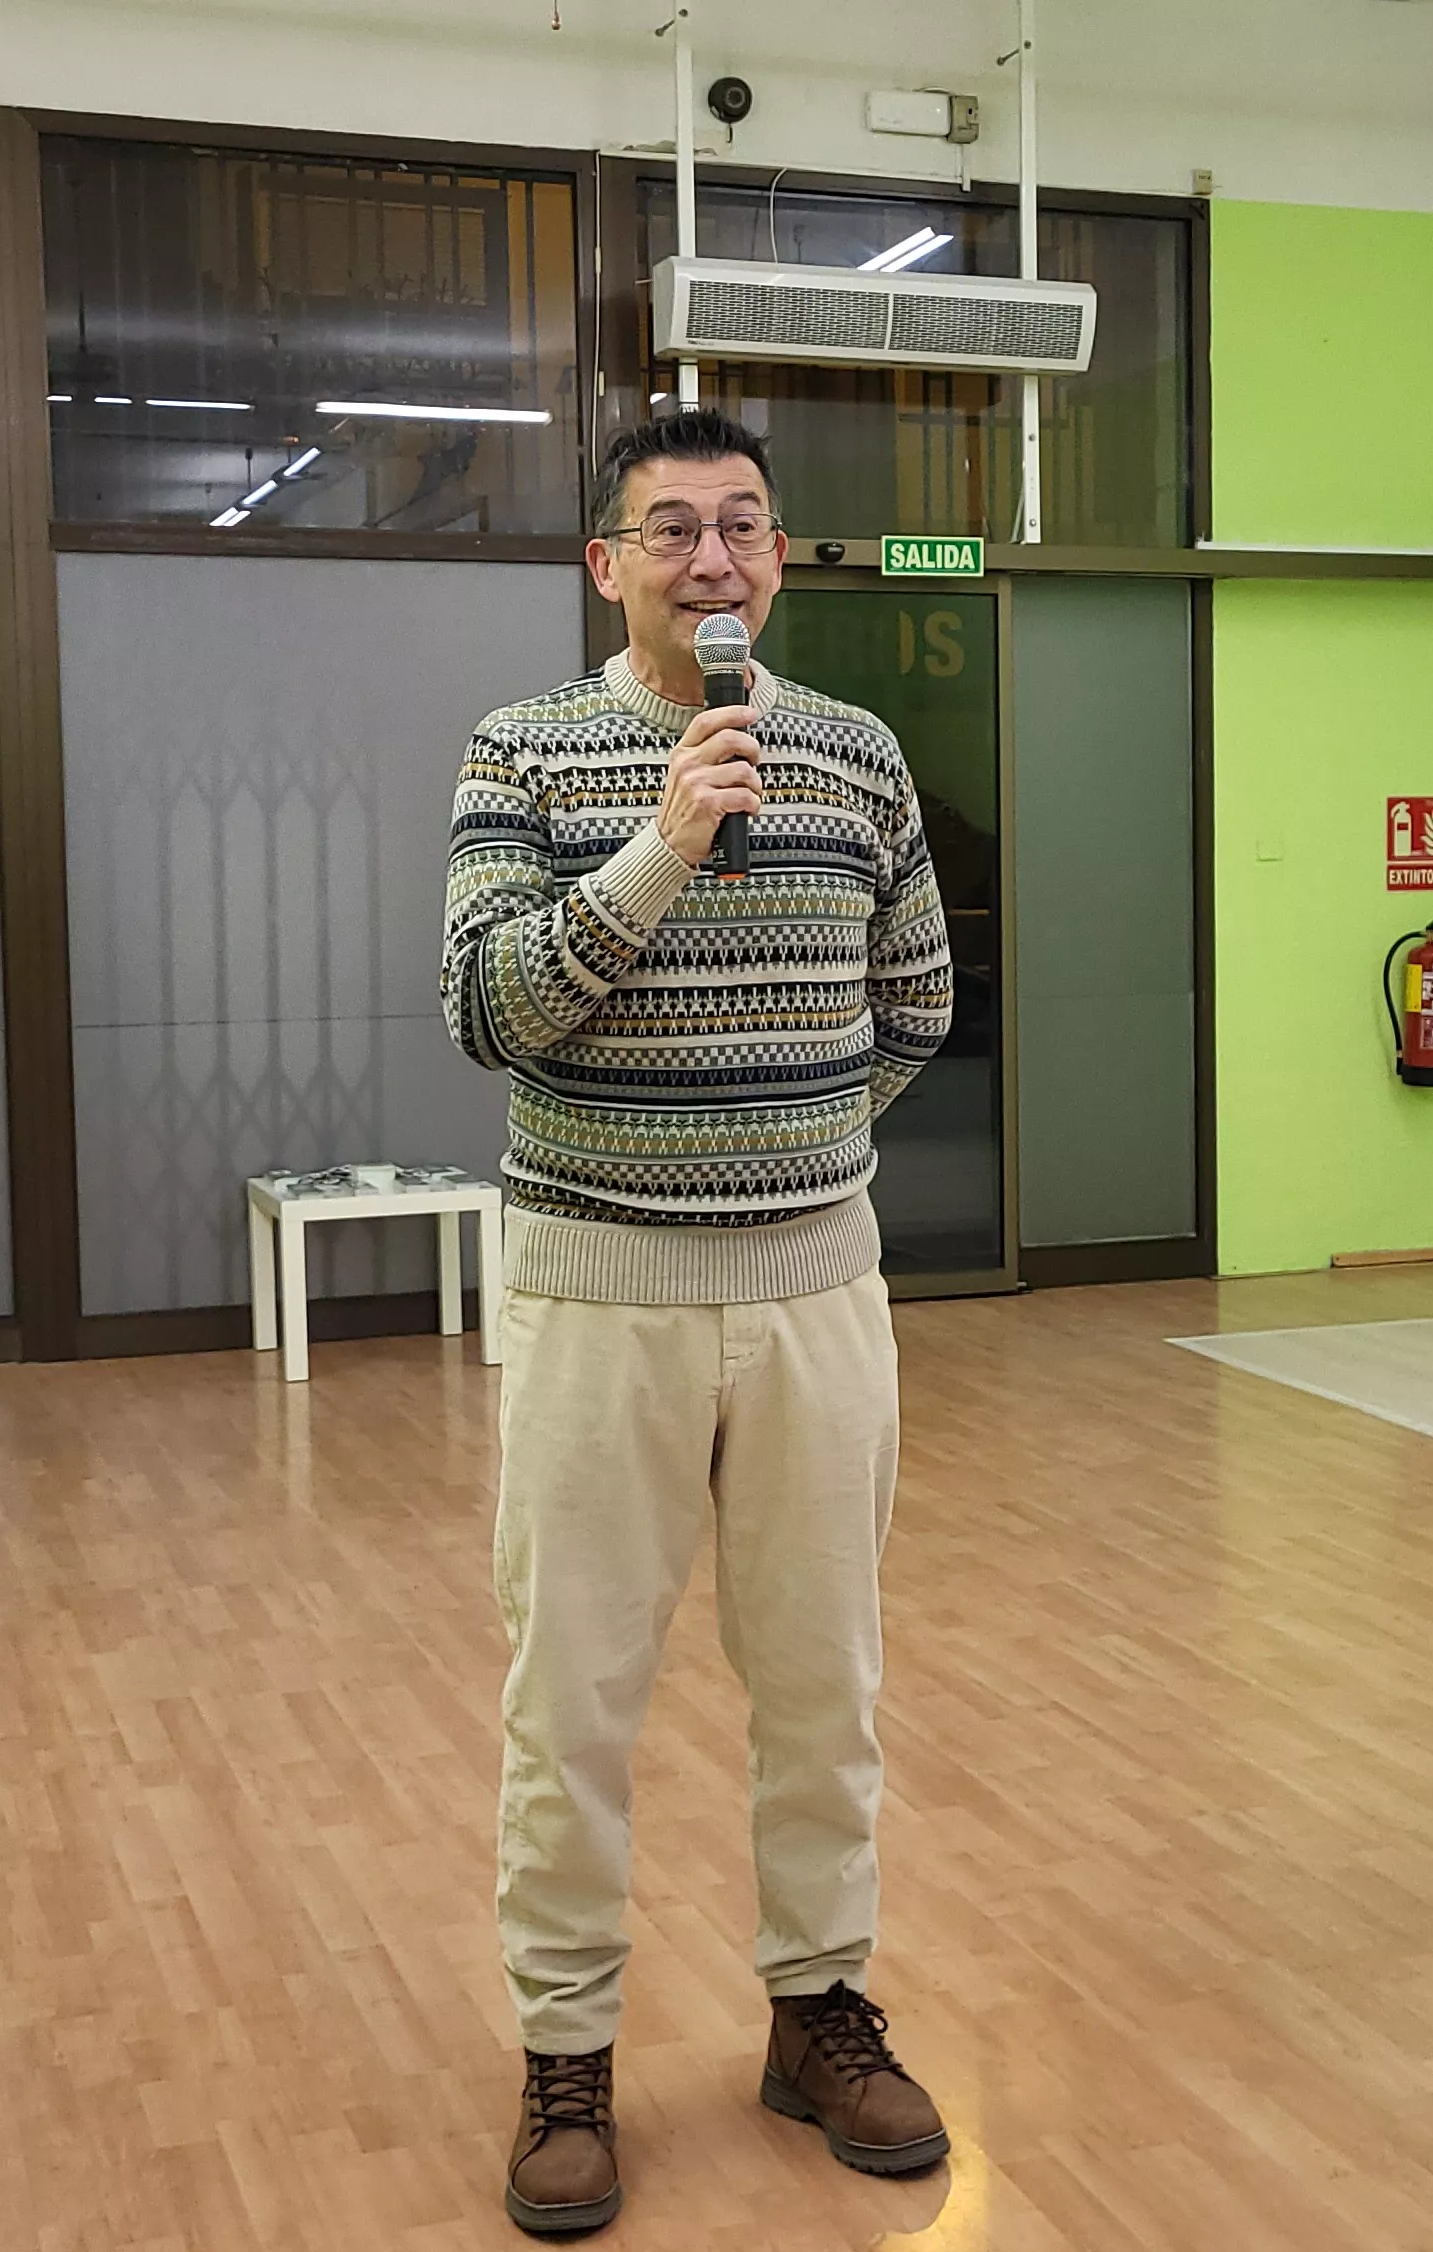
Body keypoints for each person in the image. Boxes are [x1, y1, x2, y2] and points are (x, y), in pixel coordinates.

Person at [439, 407, 956, 2238]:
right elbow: (489, 1010)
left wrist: (786, 1153)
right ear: (610, 566)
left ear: (781, 556)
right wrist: (662, 845)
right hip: (599, 1294)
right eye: (671, 529)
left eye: (742, 524)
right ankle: (566, 2051)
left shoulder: (860, 756)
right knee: (571, 1696)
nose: (712, 557)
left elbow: (915, 1005)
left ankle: (818, 2009)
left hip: (817, 1291)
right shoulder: (526, 749)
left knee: (824, 1685)